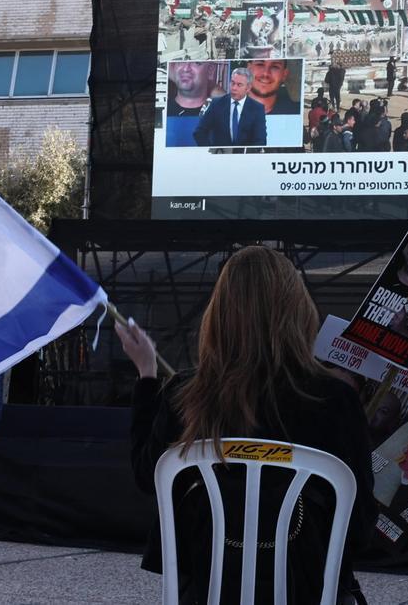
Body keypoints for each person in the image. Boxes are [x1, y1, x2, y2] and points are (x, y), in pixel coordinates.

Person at [121, 246, 375, 605]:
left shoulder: (184, 393)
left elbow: (148, 476)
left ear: (218, 315)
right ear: (298, 310)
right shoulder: (335, 399)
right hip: (306, 590)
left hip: (208, 590)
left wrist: (147, 376)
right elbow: (360, 527)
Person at [193, 68, 267, 147]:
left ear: (248, 88)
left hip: (245, 157)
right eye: (232, 83)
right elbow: (199, 132)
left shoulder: (257, 109)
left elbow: (260, 140)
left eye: (239, 85)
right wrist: (211, 152)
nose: (234, 88)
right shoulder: (216, 104)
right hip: (220, 156)